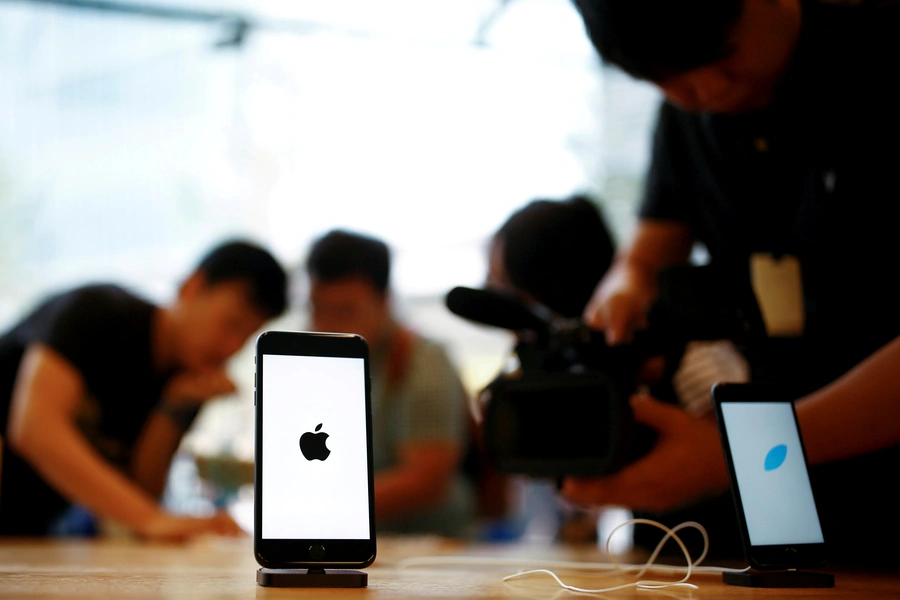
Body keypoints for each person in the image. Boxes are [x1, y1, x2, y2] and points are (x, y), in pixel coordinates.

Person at [565, 0, 900, 563]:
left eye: (721, 55)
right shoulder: (688, 114)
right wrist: (623, 293)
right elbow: (646, 254)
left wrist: (741, 452)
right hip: (785, 493)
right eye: (664, 80)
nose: (705, 90)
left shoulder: (876, 63)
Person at [0, 240, 288, 540]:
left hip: (25, 531)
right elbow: (33, 428)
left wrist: (172, 408)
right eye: (231, 324)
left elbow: (140, 493)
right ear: (193, 287)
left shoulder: (184, 382)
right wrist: (152, 519)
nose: (232, 347)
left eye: (246, 336)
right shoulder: (98, 311)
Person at [303, 230, 474, 536]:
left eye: (345, 311)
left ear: (384, 301)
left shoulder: (422, 361)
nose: (326, 325)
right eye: (317, 309)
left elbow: (425, 482)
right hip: (358, 540)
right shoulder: (325, 365)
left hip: (432, 553)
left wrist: (311, 506)